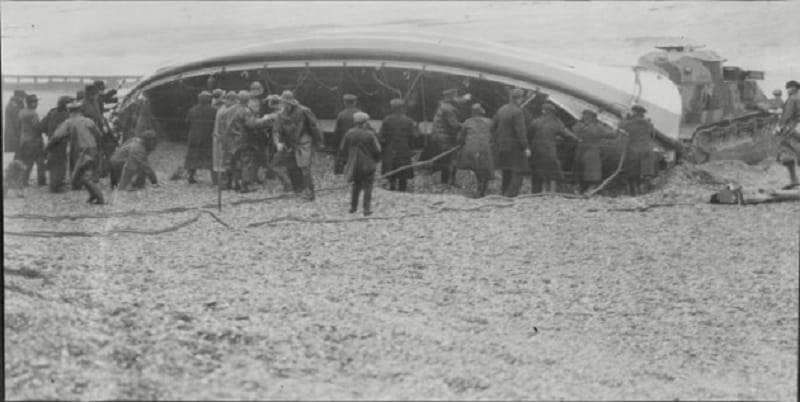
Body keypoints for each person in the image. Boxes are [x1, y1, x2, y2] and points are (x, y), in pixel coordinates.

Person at [46, 101, 105, 204]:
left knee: (82, 175)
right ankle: (92, 195)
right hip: (93, 148)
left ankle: (99, 196)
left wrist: (48, 146)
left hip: (80, 150)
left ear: (69, 111)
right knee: (86, 173)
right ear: (80, 110)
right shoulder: (89, 121)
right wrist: (100, 148)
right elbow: (98, 135)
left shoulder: (69, 122)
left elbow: (57, 136)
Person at [273, 90, 322, 200]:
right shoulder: (280, 114)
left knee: (304, 167)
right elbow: (276, 130)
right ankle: (298, 189)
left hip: (303, 141)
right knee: (290, 166)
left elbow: (314, 126)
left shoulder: (304, 111)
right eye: (283, 103)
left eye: (286, 103)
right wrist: (278, 143)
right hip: (289, 142)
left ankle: (309, 192)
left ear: (291, 102)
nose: (284, 105)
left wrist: (319, 142)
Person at [528, 103, 581, 193]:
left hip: (535, 152)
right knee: (555, 173)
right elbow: (567, 135)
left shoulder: (535, 122)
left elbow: (528, 136)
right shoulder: (556, 122)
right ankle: (554, 193)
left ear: (543, 111)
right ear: (553, 112)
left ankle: (536, 193)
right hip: (549, 152)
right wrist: (578, 140)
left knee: (537, 174)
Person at [336, 112, 382, 216]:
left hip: (354, 164)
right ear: (365, 122)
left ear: (355, 122)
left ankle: (353, 207)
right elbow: (378, 149)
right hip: (368, 164)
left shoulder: (349, 133)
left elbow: (342, 148)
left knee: (356, 185)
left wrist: (346, 160)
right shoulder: (370, 134)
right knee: (368, 186)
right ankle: (366, 209)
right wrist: (377, 160)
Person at [491, 88, 530, 197]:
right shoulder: (518, 112)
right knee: (519, 170)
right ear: (519, 99)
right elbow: (520, 132)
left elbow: (492, 127)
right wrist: (526, 147)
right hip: (515, 148)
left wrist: (497, 140)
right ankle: (511, 196)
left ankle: (504, 194)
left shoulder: (501, 109)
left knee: (506, 171)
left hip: (501, 146)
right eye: (521, 98)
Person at [572, 110, 616, 194]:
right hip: (590, 150)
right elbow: (611, 135)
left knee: (586, 168)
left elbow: (574, 131)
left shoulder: (580, 125)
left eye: (585, 116)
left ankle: (584, 187)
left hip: (585, 150)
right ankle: (587, 187)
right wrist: (613, 129)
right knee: (588, 169)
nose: (584, 117)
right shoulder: (597, 127)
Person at [379, 98, 418, 192]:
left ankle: (392, 187)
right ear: (402, 108)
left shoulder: (387, 119)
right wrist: (410, 146)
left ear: (392, 108)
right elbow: (414, 136)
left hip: (390, 148)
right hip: (404, 148)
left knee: (391, 167)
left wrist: (384, 145)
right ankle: (402, 188)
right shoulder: (409, 120)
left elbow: (382, 135)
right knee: (403, 169)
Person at [455, 103, 494, 197]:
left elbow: (460, 138)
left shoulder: (467, 122)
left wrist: (461, 144)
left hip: (470, 150)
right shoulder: (489, 121)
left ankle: (475, 189)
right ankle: (482, 191)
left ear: (472, 113)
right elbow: (494, 135)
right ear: (482, 112)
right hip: (485, 149)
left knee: (474, 168)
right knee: (485, 170)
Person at [618, 104, 657, 196]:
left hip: (635, 150)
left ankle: (634, 192)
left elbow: (621, 126)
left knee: (633, 172)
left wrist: (624, 117)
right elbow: (653, 135)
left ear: (635, 112)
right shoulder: (648, 123)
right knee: (645, 171)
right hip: (647, 150)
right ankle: (645, 191)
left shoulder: (631, 122)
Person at [430, 88, 464, 185]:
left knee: (445, 159)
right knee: (448, 159)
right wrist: (465, 125)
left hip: (439, 136)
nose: (457, 98)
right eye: (455, 96)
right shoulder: (448, 109)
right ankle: (446, 182)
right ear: (451, 98)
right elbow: (454, 124)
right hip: (444, 137)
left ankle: (445, 181)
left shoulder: (442, 106)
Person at [41, 96, 74, 193]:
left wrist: (49, 134)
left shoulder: (51, 113)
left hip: (51, 140)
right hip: (60, 141)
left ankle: (54, 185)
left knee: (53, 163)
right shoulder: (66, 115)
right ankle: (57, 186)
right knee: (60, 164)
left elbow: (42, 126)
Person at [184, 91, 217, 184]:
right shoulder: (214, 110)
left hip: (194, 137)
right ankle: (214, 179)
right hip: (208, 137)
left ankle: (191, 177)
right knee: (210, 157)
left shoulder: (192, 109)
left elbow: (187, 122)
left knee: (192, 157)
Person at [14, 94, 46, 187]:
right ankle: (41, 181)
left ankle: (24, 180)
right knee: (40, 161)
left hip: (24, 140)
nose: (37, 104)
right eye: (35, 102)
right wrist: (43, 126)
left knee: (27, 161)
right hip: (35, 141)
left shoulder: (21, 112)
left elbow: (18, 126)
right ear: (31, 103)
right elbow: (37, 128)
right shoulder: (33, 113)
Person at [776, 80, 800, 189]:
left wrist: (779, 126)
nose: (787, 90)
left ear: (794, 88)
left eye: (789, 88)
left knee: (786, 151)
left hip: (793, 127)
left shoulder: (792, 99)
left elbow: (787, 115)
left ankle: (794, 180)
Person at [213, 91, 238, 188]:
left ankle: (225, 182)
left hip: (220, 138)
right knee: (227, 160)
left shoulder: (222, 109)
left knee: (224, 160)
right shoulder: (227, 111)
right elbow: (227, 127)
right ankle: (226, 182)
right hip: (225, 139)